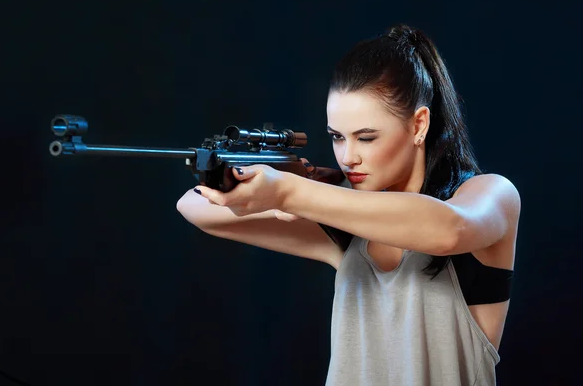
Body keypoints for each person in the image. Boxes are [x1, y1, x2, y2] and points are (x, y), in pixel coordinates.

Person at [176, 24, 520, 386]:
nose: (348, 157)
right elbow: (195, 206)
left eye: (366, 137)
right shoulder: (345, 226)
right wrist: (258, 180)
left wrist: (291, 192)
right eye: (337, 137)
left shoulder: (492, 193)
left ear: (419, 125)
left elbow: (449, 230)